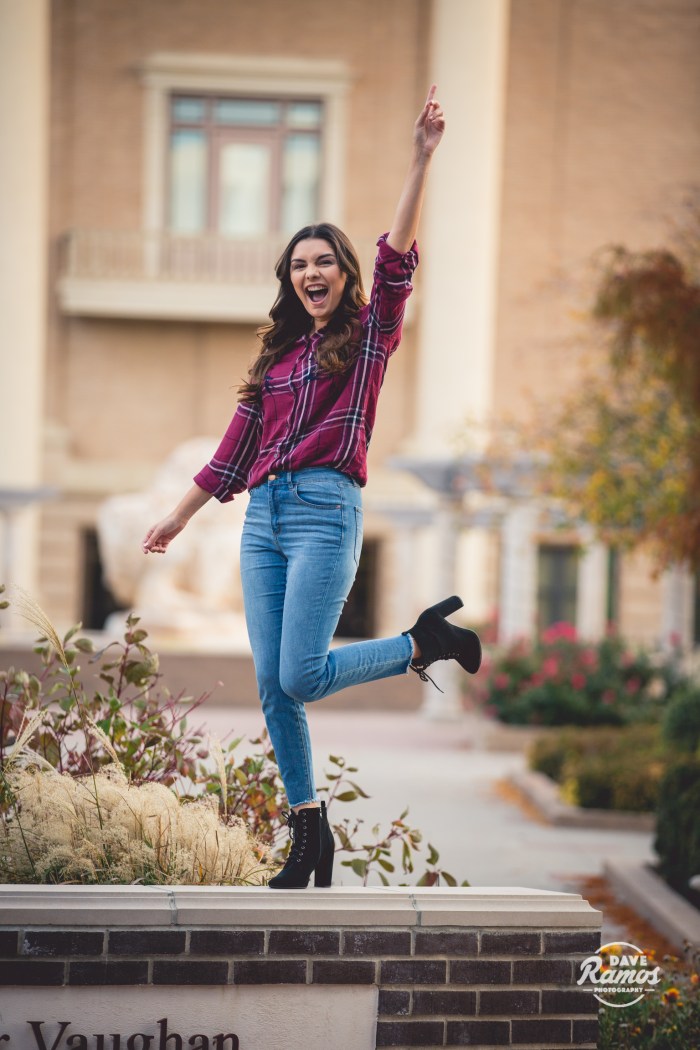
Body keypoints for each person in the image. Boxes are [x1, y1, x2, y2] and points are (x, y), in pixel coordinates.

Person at [142, 85, 481, 890]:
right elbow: (232, 452)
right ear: (289, 280)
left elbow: (397, 264)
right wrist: (178, 517)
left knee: (300, 673)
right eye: (299, 265)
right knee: (274, 688)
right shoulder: (276, 358)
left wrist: (421, 159)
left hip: (326, 511)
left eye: (323, 261)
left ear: (343, 272)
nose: (311, 273)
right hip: (263, 518)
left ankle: (423, 644)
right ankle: (308, 835)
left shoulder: (367, 338)